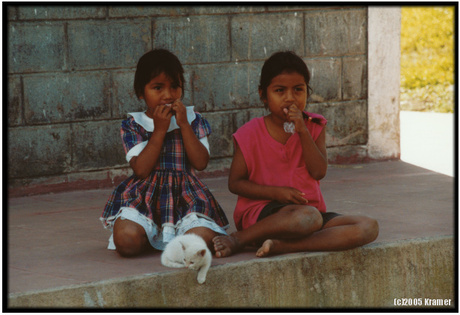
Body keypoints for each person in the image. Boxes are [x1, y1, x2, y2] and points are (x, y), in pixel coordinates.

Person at [212, 51, 378, 258]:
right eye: (280, 91)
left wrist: (302, 130)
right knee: (307, 217)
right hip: (263, 215)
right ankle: (239, 238)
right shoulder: (249, 133)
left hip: (310, 215)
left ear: (307, 92)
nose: (290, 98)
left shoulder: (314, 126)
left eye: (298, 90)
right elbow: (235, 183)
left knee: (368, 226)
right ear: (263, 94)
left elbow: (318, 171)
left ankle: (284, 246)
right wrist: (276, 193)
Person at [100, 49, 229, 257]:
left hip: (185, 196)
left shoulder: (192, 120)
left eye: (175, 87)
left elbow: (201, 162)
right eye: (157, 88)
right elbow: (141, 170)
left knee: (202, 236)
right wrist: (160, 130)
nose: (168, 95)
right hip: (144, 197)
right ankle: (150, 234)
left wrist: (184, 125)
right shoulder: (134, 124)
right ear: (141, 93)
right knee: (126, 241)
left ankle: (170, 237)